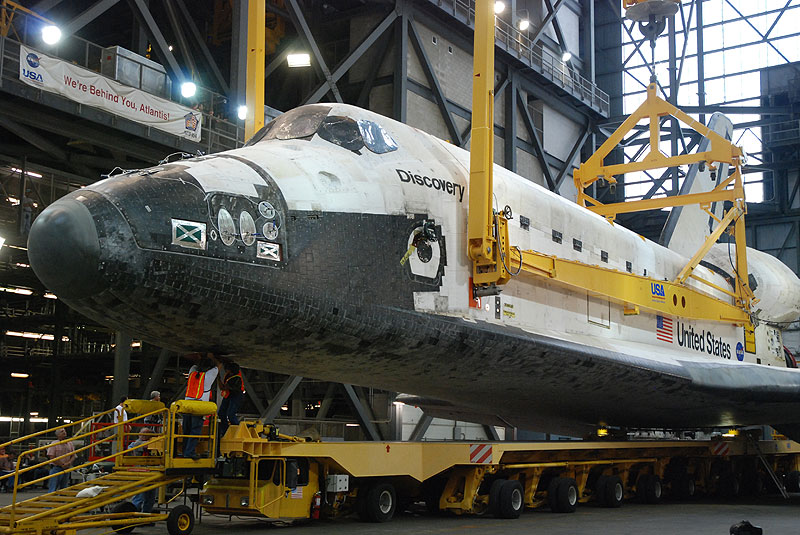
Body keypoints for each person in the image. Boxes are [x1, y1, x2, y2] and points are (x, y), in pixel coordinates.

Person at [183, 354, 221, 459]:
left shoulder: (192, 373)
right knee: (195, 430)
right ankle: (189, 453)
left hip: (186, 406)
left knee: (186, 430)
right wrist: (213, 357)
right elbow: (218, 366)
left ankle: (185, 451)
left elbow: (195, 365)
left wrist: (202, 357)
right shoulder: (208, 376)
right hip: (198, 407)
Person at [128, 429, 158, 513]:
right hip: (140, 473)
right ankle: (134, 513)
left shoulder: (153, 443)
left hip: (151, 472)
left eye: (145, 434)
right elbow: (143, 446)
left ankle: (145, 514)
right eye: (142, 434)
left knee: (150, 497)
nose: (143, 435)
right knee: (139, 496)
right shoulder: (137, 443)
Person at [218, 361, 244, 438]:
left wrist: (218, 379)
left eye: (227, 369)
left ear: (231, 371)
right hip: (229, 395)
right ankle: (225, 431)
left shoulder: (236, 378)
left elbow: (223, 387)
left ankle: (237, 432)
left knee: (231, 414)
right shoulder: (230, 375)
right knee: (221, 413)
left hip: (236, 396)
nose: (226, 370)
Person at [46, 428, 75, 493]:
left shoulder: (70, 443)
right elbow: (52, 456)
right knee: (53, 487)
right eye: (62, 431)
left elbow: (73, 455)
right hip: (56, 468)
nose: (64, 432)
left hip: (66, 468)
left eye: (64, 431)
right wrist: (62, 464)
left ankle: (62, 501)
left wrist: (69, 463)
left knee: (64, 487)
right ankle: (51, 500)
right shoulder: (54, 444)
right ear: (58, 435)